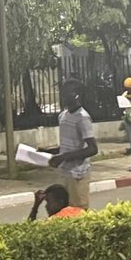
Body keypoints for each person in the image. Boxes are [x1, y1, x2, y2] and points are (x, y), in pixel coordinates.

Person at [42, 78, 98, 211]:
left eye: (67, 94)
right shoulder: (62, 116)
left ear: (76, 96)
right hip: (64, 172)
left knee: (77, 210)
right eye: (62, 93)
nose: (63, 97)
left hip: (78, 174)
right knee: (63, 210)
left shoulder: (83, 118)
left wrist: (63, 157)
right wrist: (50, 152)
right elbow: (67, 146)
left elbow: (92, 149)